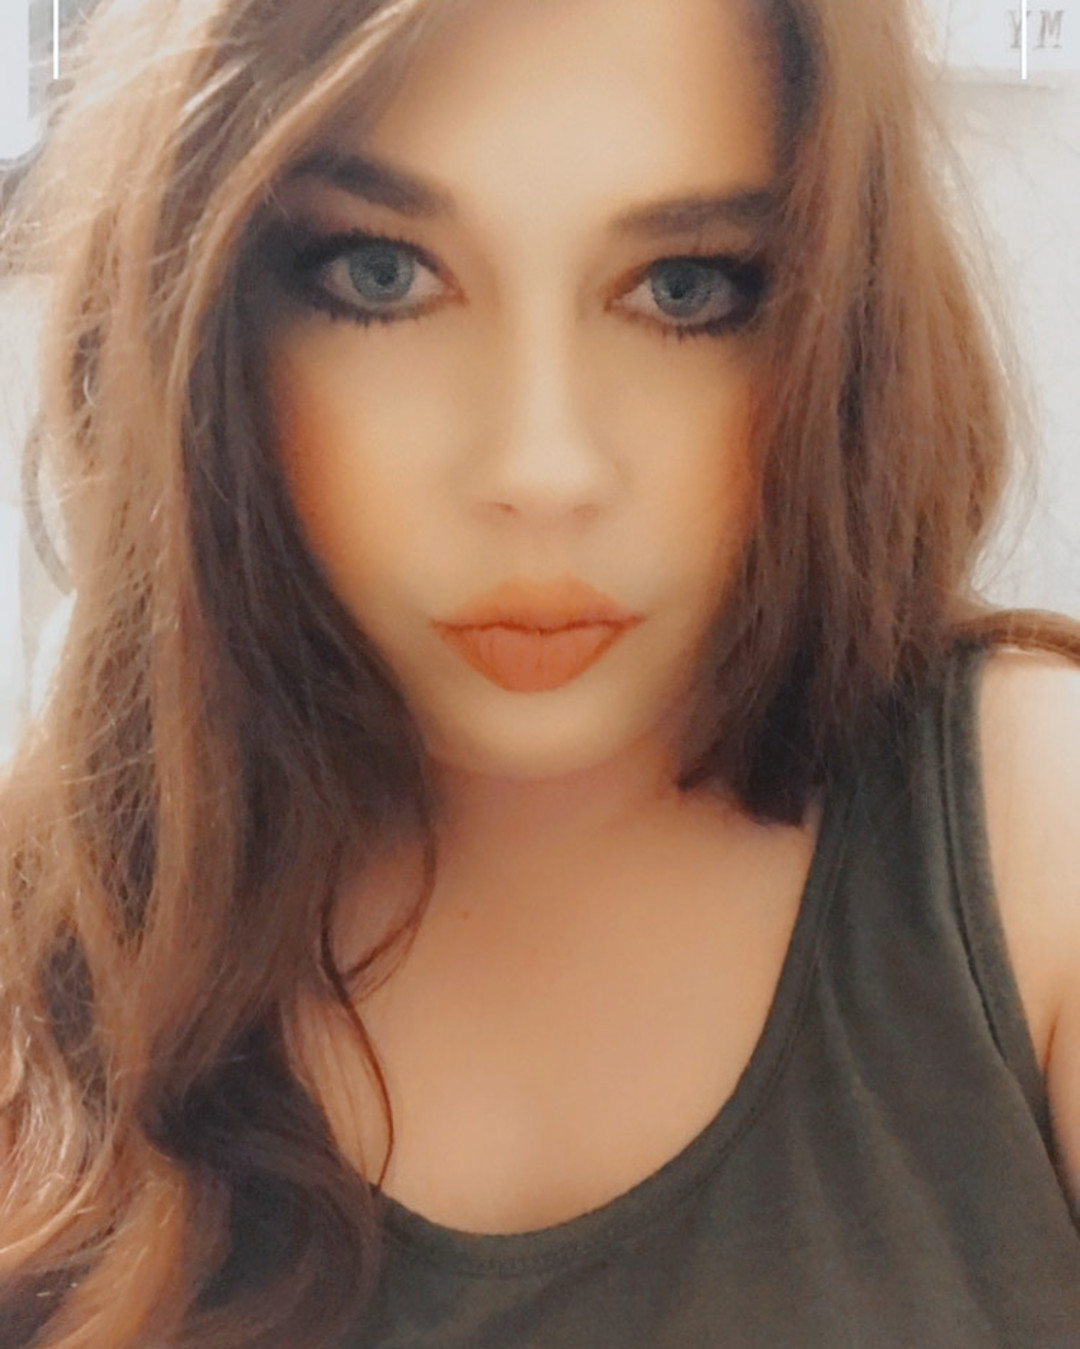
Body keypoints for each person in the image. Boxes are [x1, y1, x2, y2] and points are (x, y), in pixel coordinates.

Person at [0, 0, 1078, 1344]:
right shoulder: (51, 945)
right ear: (203, 314)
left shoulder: (1035, 848)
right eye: (380, 276)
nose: (542, 467)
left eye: (686, 287)